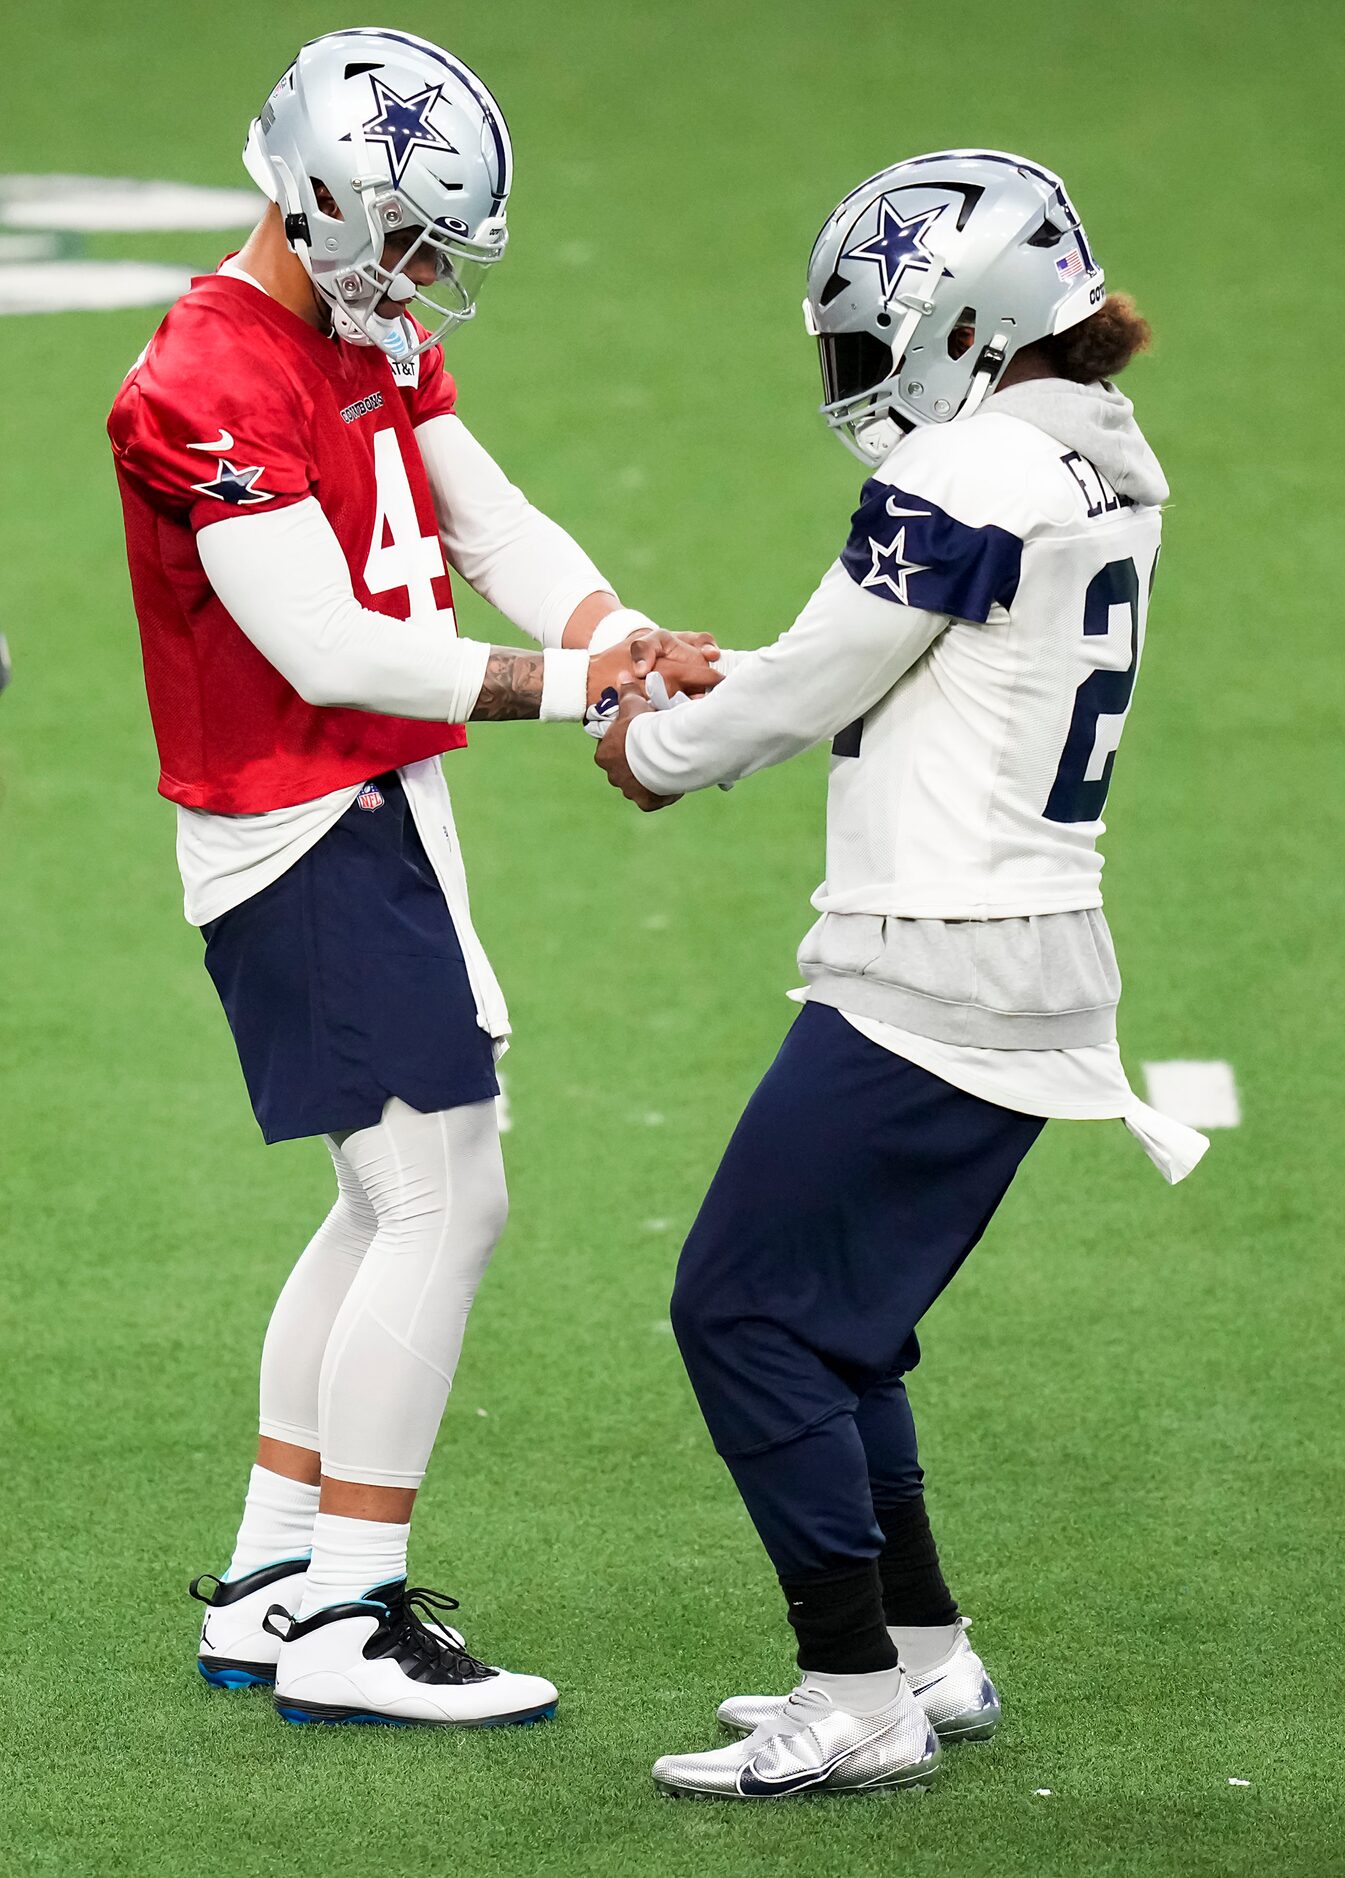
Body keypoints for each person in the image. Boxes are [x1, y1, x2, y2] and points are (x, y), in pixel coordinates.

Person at [107, 27, 717, 1731]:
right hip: (296, 821)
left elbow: (486, 515)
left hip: (362, 812)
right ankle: (351, 1618)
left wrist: (614, 630)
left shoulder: (350, 326)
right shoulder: (203, 378)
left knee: (388, 1200)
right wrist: (559, 689)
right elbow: (322, 643)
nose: (431, 278)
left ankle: (274, 1573)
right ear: (311, 201)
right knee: (447, 1200)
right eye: (411, 240)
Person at [595, 149, 1209, 1799]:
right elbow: (884, 655)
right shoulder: (1093, 459)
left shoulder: (973, 473)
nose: (862, 381)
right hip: (1020, 949)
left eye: (876, 343)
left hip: (937, 959)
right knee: (841, 1330)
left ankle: (848, 1690)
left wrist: (652, 740)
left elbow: (816, 683)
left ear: (962, 321)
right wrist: (759, 681)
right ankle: (924, 1659)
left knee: (740, 1310)